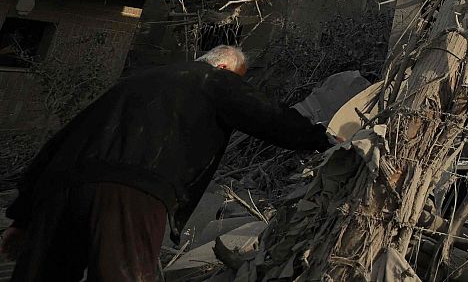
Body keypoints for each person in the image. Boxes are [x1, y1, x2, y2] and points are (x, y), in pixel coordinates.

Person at [0, 45, 335, 282]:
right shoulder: (214, 80)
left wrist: (22, 217)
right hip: (131, 194)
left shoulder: (136, 81)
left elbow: (59, 142)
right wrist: (320, 139)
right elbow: (268, 117)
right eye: (239, 77)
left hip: (59, 190)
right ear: (224, 68)